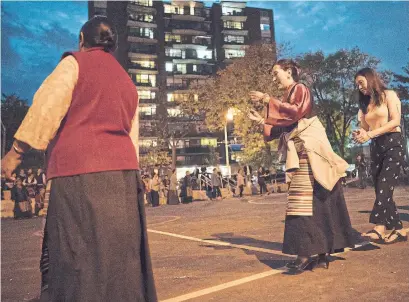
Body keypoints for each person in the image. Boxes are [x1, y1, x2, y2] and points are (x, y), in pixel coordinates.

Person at [1, 16, 157, 301]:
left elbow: (46, 108)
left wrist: (15, 153)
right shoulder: (127, 82)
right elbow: (131, 135)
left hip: (80, 174)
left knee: (76, 255)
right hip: (123, 177)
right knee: (120, 258)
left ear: (83, 41)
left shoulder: (74, 64)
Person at [248, 58, 355, 274]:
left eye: (275, 72)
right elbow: (286, 124)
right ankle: (322, 250)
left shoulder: (300, 88)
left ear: (288, 71)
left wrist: (268, 100)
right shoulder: (289, 95)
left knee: (303, 198)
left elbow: (295, 113)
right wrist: (262, 121)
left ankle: (306, 253)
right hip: (304, 149)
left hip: (308, 148)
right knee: (316, 196)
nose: (273, 77)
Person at [353, 67, 407, 244]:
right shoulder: (365, 105)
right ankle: (399, 230)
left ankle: (379, 227)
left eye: (361, 82)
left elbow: (395, 121)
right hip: (376, 146)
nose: (359, 87)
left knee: (384, 184)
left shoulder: (388, 95)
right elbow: (366, 128)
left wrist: (369, 134)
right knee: (381, 188)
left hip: (393, 143)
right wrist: (361, 133)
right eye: (357, 85)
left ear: (370, 78)